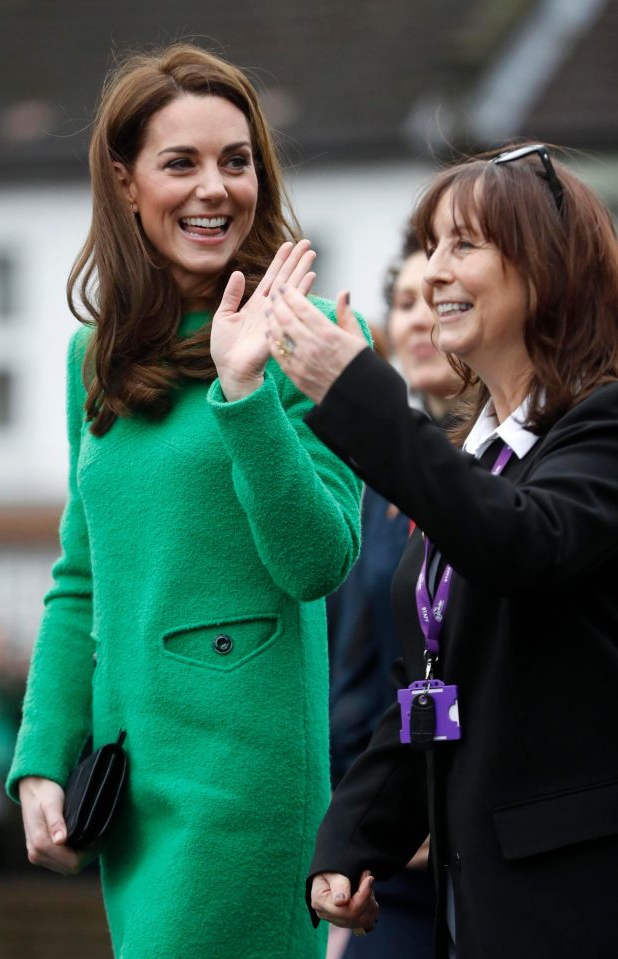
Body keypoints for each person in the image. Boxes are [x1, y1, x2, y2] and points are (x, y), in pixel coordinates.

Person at [6, 43, 366, 959]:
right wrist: (43, 755)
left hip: (245, 781)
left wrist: (246, 396)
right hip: (133, 782)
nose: (215, 189)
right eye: (182, 163)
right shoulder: (96, 358)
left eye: (236, 161)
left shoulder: (318, 339)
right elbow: (80, 577)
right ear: (126, 184)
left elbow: (319, 558)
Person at [264, 143, 618, 958]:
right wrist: (353, 839)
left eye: (464, 245)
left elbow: (519, 542)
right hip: (479, 908)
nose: (432, 276)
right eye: (430, 248)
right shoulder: (477, 459)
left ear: (548, 268)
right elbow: (435, 689)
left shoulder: (603, 427)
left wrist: (357, 391)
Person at [327, 229, 460, 959]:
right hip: (374, 832)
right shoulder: (368, 480)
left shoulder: (496, 470)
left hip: (450, 833)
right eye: (404, 301)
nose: (416, 318)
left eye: (436, 300)